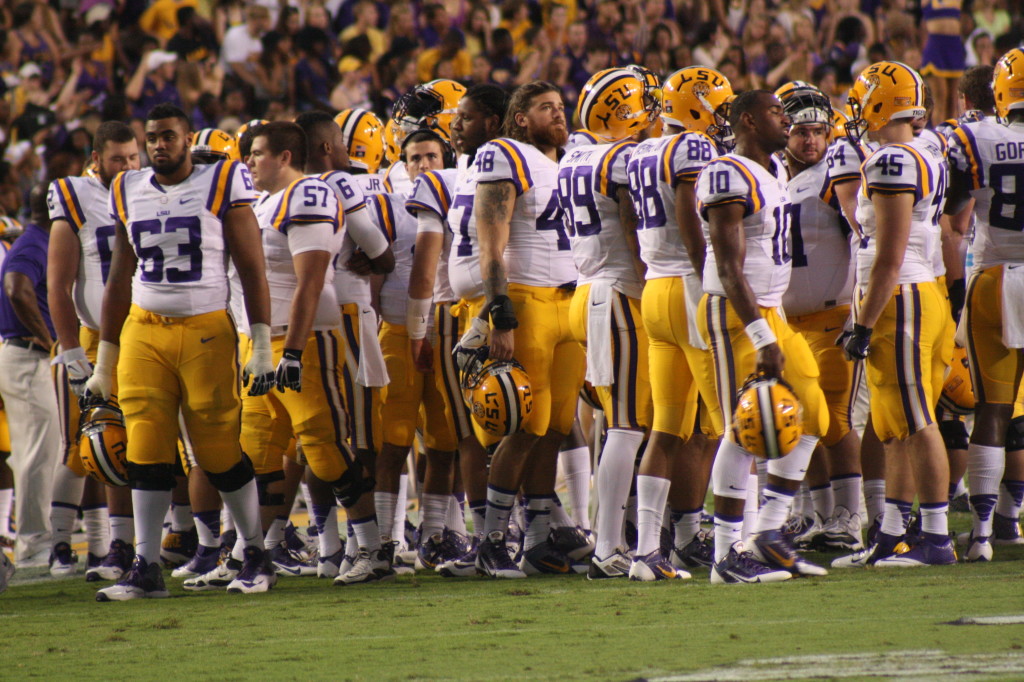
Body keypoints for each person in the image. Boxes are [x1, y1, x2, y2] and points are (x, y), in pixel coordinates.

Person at [88, 103, 277, 600]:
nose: (158, 146)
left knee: (216, 450)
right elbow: (117, 279)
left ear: (188, 138)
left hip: (206, 328)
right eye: (152, 138)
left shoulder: (223, 180)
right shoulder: (127, 188)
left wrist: (261, 343)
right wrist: (105, 360)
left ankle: (254, 550)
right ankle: (146, 566)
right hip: (143, 329)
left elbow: (252, 267)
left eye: (168, 136)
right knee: (145, 445)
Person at [696, 89, 829, 584]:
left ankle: (769, 534)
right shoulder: (726, 171)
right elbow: (729, 266)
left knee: (812, 408)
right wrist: (760, 334)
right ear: (749, 120)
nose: (786, 119)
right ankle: (727, 556)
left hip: (768, 310)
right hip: (735, 312)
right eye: (777, 112)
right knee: (744, 425)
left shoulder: (770, 172)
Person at [241, 120, 380, 585]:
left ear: (285, 156)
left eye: (258, 153)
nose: (249, 161)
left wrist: (294, 353)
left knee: (325, 447)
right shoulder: (263, 202)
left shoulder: (310, 194)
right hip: (261, 340)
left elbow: (311, 280)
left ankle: (374, 550)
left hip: (304, 339)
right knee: (257, 449)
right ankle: (253, 554)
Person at [841, 62, 955, 567]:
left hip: (899, 295)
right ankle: (892, 531)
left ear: (880, 103)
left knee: (916, 420)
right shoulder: (925, 147)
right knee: (894, 423)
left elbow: (889, 254)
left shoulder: (892, 160)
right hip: (915, 290)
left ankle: (935, 536)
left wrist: (862, 324)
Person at [471, 80, 585, 579]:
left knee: (557, 426)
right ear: (520, 118)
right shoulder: (506, 155)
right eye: (545, 108)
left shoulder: (572, 158)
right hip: (529, 302)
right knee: (523, 425)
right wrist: (499, 310)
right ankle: (492, 539)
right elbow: (491, 243)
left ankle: (539, 534)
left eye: (561, 107)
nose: (558, 115)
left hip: (572, 302)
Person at [627, 66, 734, 580]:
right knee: (735, 424)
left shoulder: (643, 149)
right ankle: (740, 545)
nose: (724, 117)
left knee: (667, 429)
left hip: (654, 289)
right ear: (696, 105)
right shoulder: (692, 150)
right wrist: (707, 276)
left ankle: (650, 551)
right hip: (689, 290)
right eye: (719, 105)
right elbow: (691, 216)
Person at [559, 66, 661, 579]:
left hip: (588, 291)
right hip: (618, 293)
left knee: (615, 421)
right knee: (626, 424)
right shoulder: (622, 156)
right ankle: (608, 546)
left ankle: (613, 537)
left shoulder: (575, 153)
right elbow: (631, 226)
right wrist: (654, 281)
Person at [405, 83, 511, 576]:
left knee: (507, 420)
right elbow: (424, 267)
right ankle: (479, 533)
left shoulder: (482, 170)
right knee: (470, 432)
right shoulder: (445, 179)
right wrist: (418, 327)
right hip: (455, 312)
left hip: (483, 307)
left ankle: (522, 527)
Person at [296, 110, 395, 582]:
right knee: (354, 438)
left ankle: (334, 545)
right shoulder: (340, 183)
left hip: (306, 325)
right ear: (330, 148)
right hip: (347, 318)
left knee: (322, 438)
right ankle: (361, 546)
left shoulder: (286, 188)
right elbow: (381, 253)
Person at [46, 121, 142, 582]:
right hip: (96, 334)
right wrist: (71, 353)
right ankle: (117, 544)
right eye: (117, 159)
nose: (126, 167)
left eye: (132, 157)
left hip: (151, 331)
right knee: (105, 442)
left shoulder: (151, 187)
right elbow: (57, 285)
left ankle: (183, 536)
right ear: (97, 159)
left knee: (170, 440)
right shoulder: (75, 194)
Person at [774, 82, 864, 553]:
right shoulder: (770, 174)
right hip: (787, 322)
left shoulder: (835, 174)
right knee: (798, 418)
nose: (811, 140)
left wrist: (861, 305)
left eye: (818, 131)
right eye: (801, 131)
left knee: (835, 419)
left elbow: (860, 236)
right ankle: (816, 512)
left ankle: (849, 516)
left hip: (832, 315)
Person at [946, 49, 1024, 562]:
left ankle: (980, 537)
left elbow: (954, 216)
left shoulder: (977, 137)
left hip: (996, 274)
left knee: (993, 411)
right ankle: (1013, 525)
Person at [0, 184, 60, 567]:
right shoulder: (36, 242)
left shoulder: (39, 238)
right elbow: (16, 288)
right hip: (27, 356)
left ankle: (39, 537)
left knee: (40, 450)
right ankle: (35, 542)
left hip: (28, 357)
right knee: (37, 453)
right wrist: (49, 338)